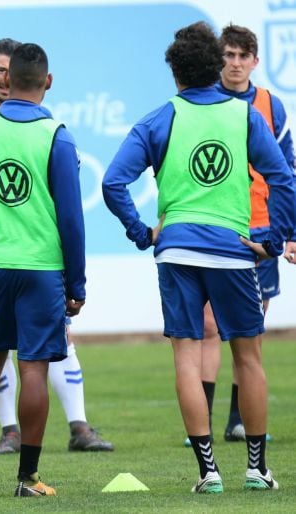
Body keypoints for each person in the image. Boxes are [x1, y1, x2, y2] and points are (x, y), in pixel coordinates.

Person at [102, 21, 293, 493]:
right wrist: (274, 239)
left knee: (187, 359)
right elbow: (284, 177)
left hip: (178, 251)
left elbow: (112, 183)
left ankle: (208, 472)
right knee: (248, 359)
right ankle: (256, 468)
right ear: (216, 66)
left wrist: (143, 233)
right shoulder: (244, 116)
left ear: (174, 71)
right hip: (232, 251)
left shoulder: (159, 118)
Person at [0, 37, 113, 456]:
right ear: (48, 81)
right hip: (41, 270)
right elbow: (72, 221)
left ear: (9, 77)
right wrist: (75, 284)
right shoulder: (56, 135)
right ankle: (29, 476)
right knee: (34, 368)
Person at [181, 24, 295, 447]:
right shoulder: (203, 100)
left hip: (261, 229)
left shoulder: (269, 105)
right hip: (217, 226)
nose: (234, 63)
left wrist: (290, 233)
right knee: (210, 325)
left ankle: (238, 419)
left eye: (242, 56)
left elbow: (287, 170)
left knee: (250, 331)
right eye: (227, 55)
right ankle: (204, 422)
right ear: (218, 59)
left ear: (255, 61)